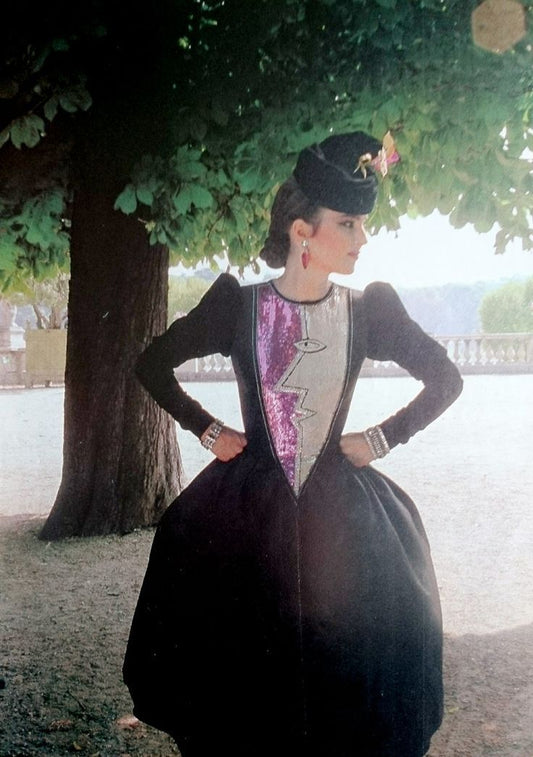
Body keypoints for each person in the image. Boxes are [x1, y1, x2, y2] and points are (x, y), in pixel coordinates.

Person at [123, 131, 463, 757]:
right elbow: (152, 365)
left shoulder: (369, 311)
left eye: (363, 224)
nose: (363, 239)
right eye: (348, 224)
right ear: (302, 231)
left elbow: (446, 379)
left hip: (343, 512)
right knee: (238, 652)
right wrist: (208, 429)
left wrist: (381, 438)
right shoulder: (237, 307)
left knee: (356, 649)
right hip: (248, 507)